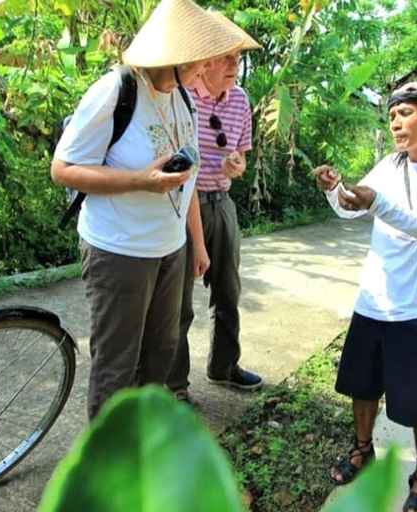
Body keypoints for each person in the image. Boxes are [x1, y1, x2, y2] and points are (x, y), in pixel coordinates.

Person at [50, 0, 246, 419]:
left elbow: (187, 180)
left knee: (160, 354)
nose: (203, 70)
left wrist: (197, 243)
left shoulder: (183, 100)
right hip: (119, 250)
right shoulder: (116, 91)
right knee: (116, 364)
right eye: (197, 62)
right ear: (173, 58)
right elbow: (63, 169)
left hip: (169, 250)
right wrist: (140, 180)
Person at [312, 81, 417, 512]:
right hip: (372, 302)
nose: (397, 122)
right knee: (362, 386)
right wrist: (334, 188)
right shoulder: (389, 164)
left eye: (406, 113)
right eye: (392, 116)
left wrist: (378, 202)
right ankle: (363, 451)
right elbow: (352, 207)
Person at [165, 12, 263, 405]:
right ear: (204, 60)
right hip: (180, 208)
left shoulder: (240, 100)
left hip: (221, 204)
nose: (233, 63)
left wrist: (236, 165)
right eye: (225, 55)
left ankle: (224, 366)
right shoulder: (182, 97)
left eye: (237, 55)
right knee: (177, 301)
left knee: (228, 290)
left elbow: (239, 155)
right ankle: (176, 386)